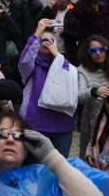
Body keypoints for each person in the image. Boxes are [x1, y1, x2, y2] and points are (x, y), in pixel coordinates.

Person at [19, 19, 78, 157]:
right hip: (36, 124)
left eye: (50, 41)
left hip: (63, 125)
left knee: (61, 167)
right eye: (42, 40)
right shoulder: (31, 66)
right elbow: (25, 60)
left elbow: (73, 78)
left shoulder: (64, 63)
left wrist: (57, 54)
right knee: (36, 168)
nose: (46, 43)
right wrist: (38, 32)